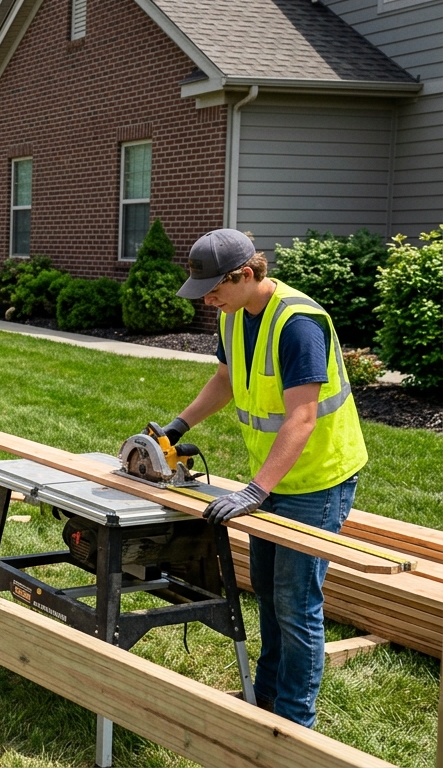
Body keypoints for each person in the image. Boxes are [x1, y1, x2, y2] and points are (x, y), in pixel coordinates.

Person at [160, 228, 367, 727]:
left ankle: (297, 722)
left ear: (246, 275)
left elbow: (302, 417)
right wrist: (177, 426)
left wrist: (256, 489)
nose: (208, 299)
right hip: (273, 478)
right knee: (270, 597)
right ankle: (268, 698)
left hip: (316, 479)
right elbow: (226, 380)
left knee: (296, 606)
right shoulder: (234, 316)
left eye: (214, 289)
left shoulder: (298, 324)